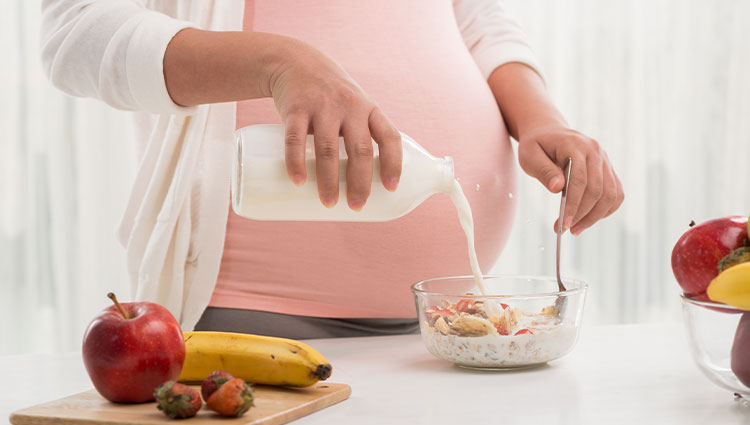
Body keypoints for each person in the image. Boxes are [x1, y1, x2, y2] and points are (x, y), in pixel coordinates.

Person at [41, 0, 623, 338]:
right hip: (259, 318)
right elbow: (78, 30)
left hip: (452, 322)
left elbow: (476, 21)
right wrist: (279, 63)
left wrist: (541, 118)